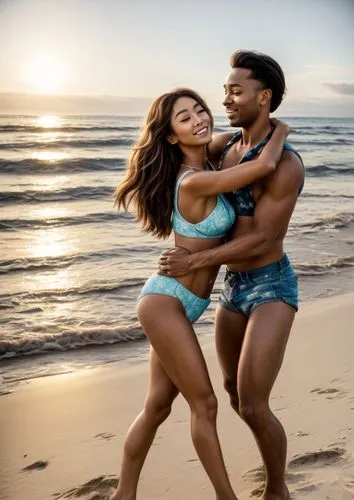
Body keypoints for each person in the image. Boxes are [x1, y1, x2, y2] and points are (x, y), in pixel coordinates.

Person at [111, 87, 289, 500]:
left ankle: (124, 493)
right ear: (171, 136)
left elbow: (230, 139)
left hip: (184, 304)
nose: (199, 119)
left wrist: (232, 133)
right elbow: (264, 164)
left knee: (157, 406)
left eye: (200, 110)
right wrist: (281, 127)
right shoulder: (193, 182)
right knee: (205, 404)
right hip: (165, 302)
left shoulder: (205, 161)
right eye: (184, 118)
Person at [158, 52, 305, 500]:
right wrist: (276, 129)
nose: (225, 99)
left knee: (255, 403)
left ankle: (277, 489)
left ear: (264, 97)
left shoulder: (288, 166)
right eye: (224, 90)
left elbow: (263, 238)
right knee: (232, 392)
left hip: (271, 286)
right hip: (233, 289)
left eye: (235, 91)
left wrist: (196, 261)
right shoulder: (226, 150)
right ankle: (270, 467)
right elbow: (191, 149)